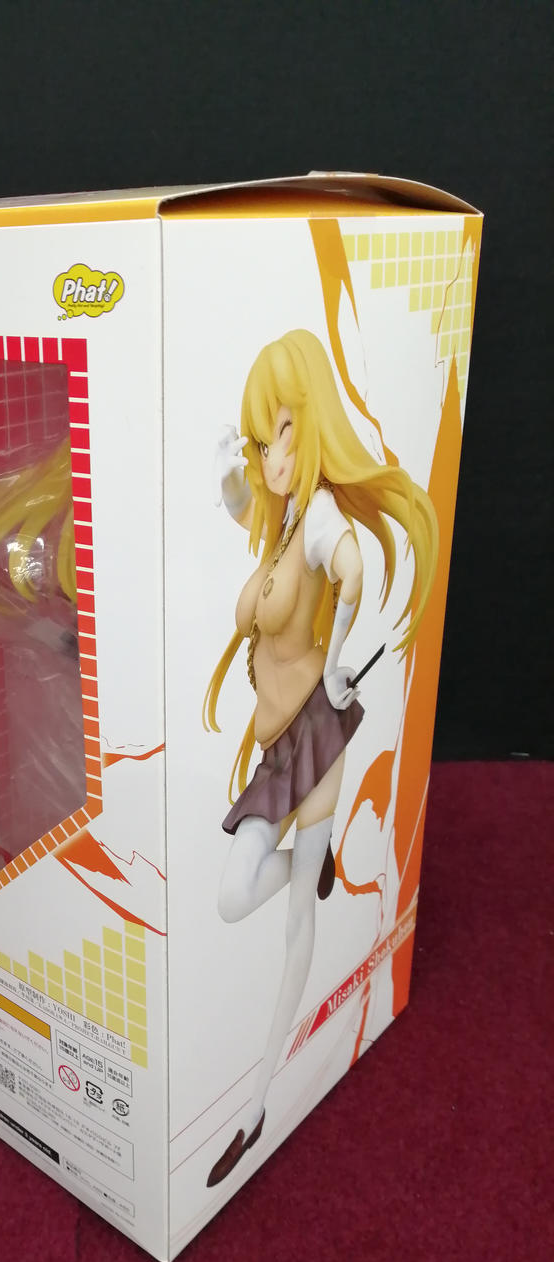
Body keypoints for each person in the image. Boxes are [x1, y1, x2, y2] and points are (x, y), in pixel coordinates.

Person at [203, 329, 437, 1188]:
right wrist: (229, 472)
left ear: (312, 424)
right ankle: (317, 858)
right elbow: (246, 510)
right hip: (278, 747)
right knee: (233, 895)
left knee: (296, 915)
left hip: (316, 733)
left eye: (282, 431)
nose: (272, 456)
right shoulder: (282, 521)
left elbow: (353, 569)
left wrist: (338, 662)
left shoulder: (322, 520)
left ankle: (257, 1105)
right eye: (262, 438)